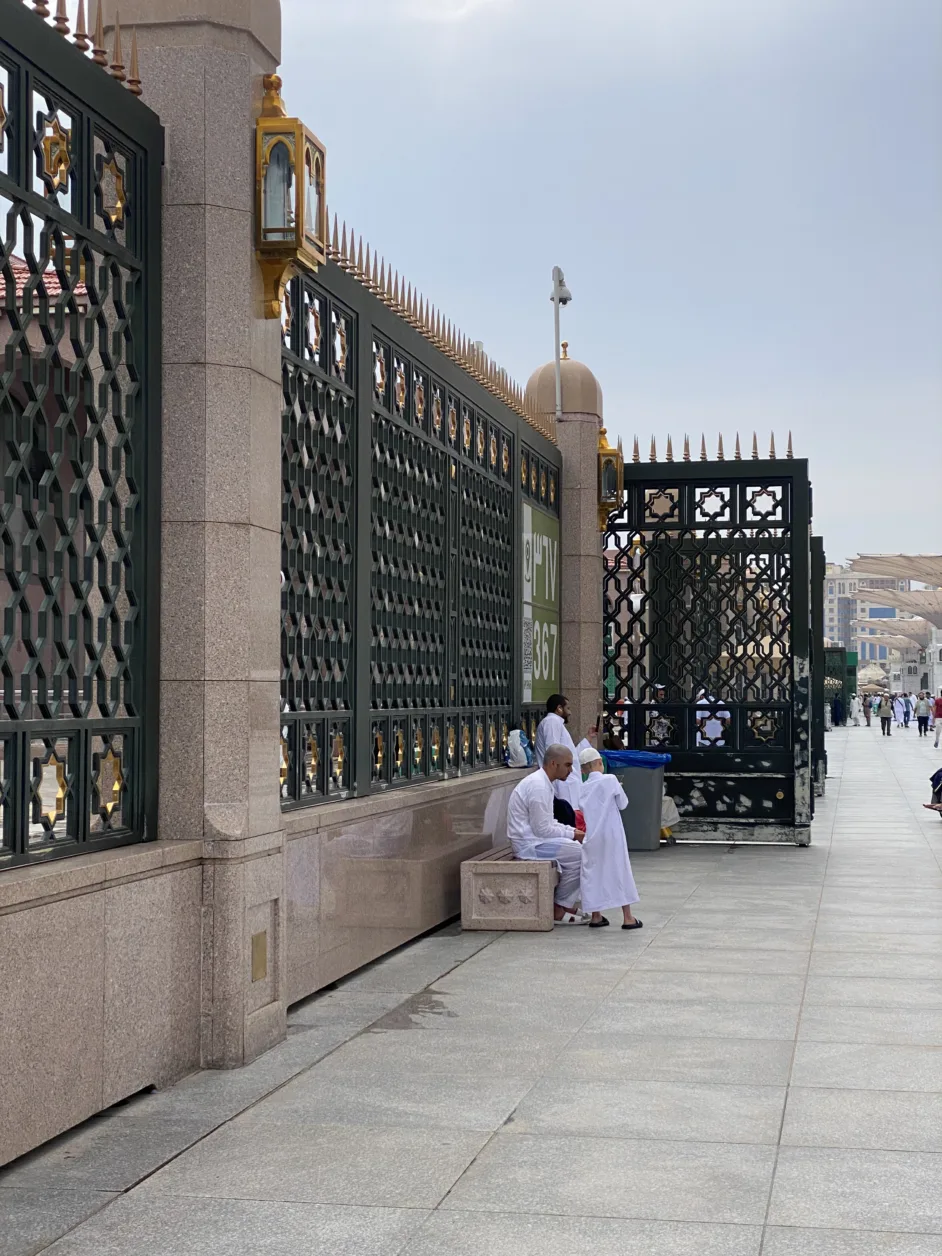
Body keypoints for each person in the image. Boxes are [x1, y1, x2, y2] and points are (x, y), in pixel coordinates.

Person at [506, 742, 588, 924]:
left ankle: (563, 904)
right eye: (567, 765)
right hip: (529, 845)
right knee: (582, 853)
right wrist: (574, 835)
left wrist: (572, 831)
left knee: (579, 850)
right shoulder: (538, 786)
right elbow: (541, 829)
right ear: (553, 764)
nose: (571, 770)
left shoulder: (544, 782)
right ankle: (558, 908)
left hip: (536, 840)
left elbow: (547, 823)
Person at [577, 748, 642, 930]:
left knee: (593, 873)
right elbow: (623, 803)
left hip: (592, 836)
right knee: (619, 870)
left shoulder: (582, 788)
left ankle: (596, 916)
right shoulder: (610, 780)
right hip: (612, 834)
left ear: (582, 770)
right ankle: (627, 917)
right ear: (600, 763)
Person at [534, 694, 590, 812]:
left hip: (566, 781)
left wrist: (589, 737)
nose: (569, 713)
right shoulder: (551, 722)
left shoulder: (556, 723)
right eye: (568, 708)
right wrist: (561, 775)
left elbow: (570, 754)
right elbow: (554, 751)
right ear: (559, 708)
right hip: (562, 783)